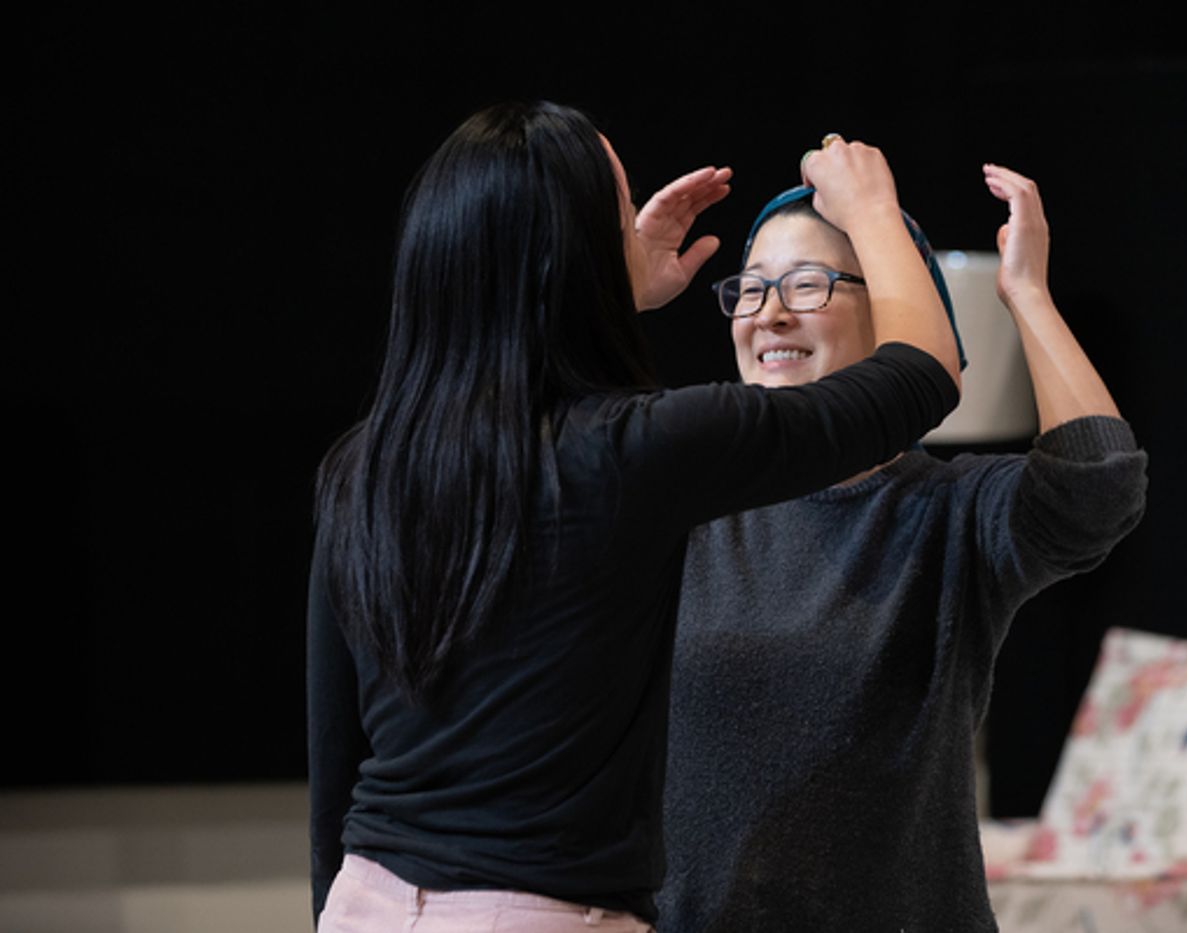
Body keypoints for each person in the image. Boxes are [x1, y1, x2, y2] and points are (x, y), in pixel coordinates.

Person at [306, 102, 964, 933]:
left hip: (364, 902)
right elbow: (923, 375)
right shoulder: (636, 449)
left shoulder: (363, 466)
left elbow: (335, 765)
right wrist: (871, 210)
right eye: (621, 211)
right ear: (577, 257)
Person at [658, 164, 1149, 931]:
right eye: (751, 289)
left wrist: (1026, 294)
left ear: (893, 310)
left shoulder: (947, 510)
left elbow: (1097, 486)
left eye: (808, 284)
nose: (771, 314)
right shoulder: (684, 497)